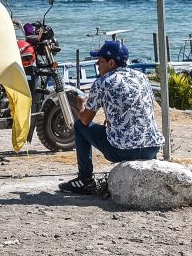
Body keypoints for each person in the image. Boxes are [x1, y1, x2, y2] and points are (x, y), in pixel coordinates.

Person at [58, 40, 164, 195]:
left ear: (111, 62)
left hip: (121, 151)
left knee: (79, 127)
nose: (98, 65)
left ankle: (85, 180)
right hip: (152, 148)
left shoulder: (102, 82)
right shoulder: (142, 78)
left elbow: (85, 120)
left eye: (100, 61)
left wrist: (81, 105)